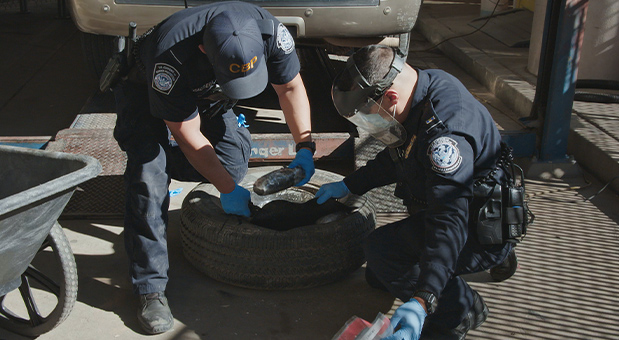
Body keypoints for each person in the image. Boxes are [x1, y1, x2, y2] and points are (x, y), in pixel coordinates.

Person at [112, 1, 316, 334]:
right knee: (149, 178)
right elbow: (188, 134)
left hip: (205, 90)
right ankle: (150, 288)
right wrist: (223, 188)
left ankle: (167, 162)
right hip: (144, 86)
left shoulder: (269, 32)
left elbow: (291, 88)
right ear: (205, 48)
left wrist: (306, 147)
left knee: (231, 165)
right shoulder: (171, 57)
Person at [315, 45, 526, 339]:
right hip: (479, 201)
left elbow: (448, 222)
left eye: (366, 114)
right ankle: (493, 256)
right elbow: (400, 156)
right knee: (378, 276)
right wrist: (349, 184)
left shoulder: (443, 137)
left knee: (381, 251)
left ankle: (463, 309)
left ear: (391, 97)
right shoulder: (423, 84)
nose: (369, 124)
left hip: (474, 223)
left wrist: (423, 299)